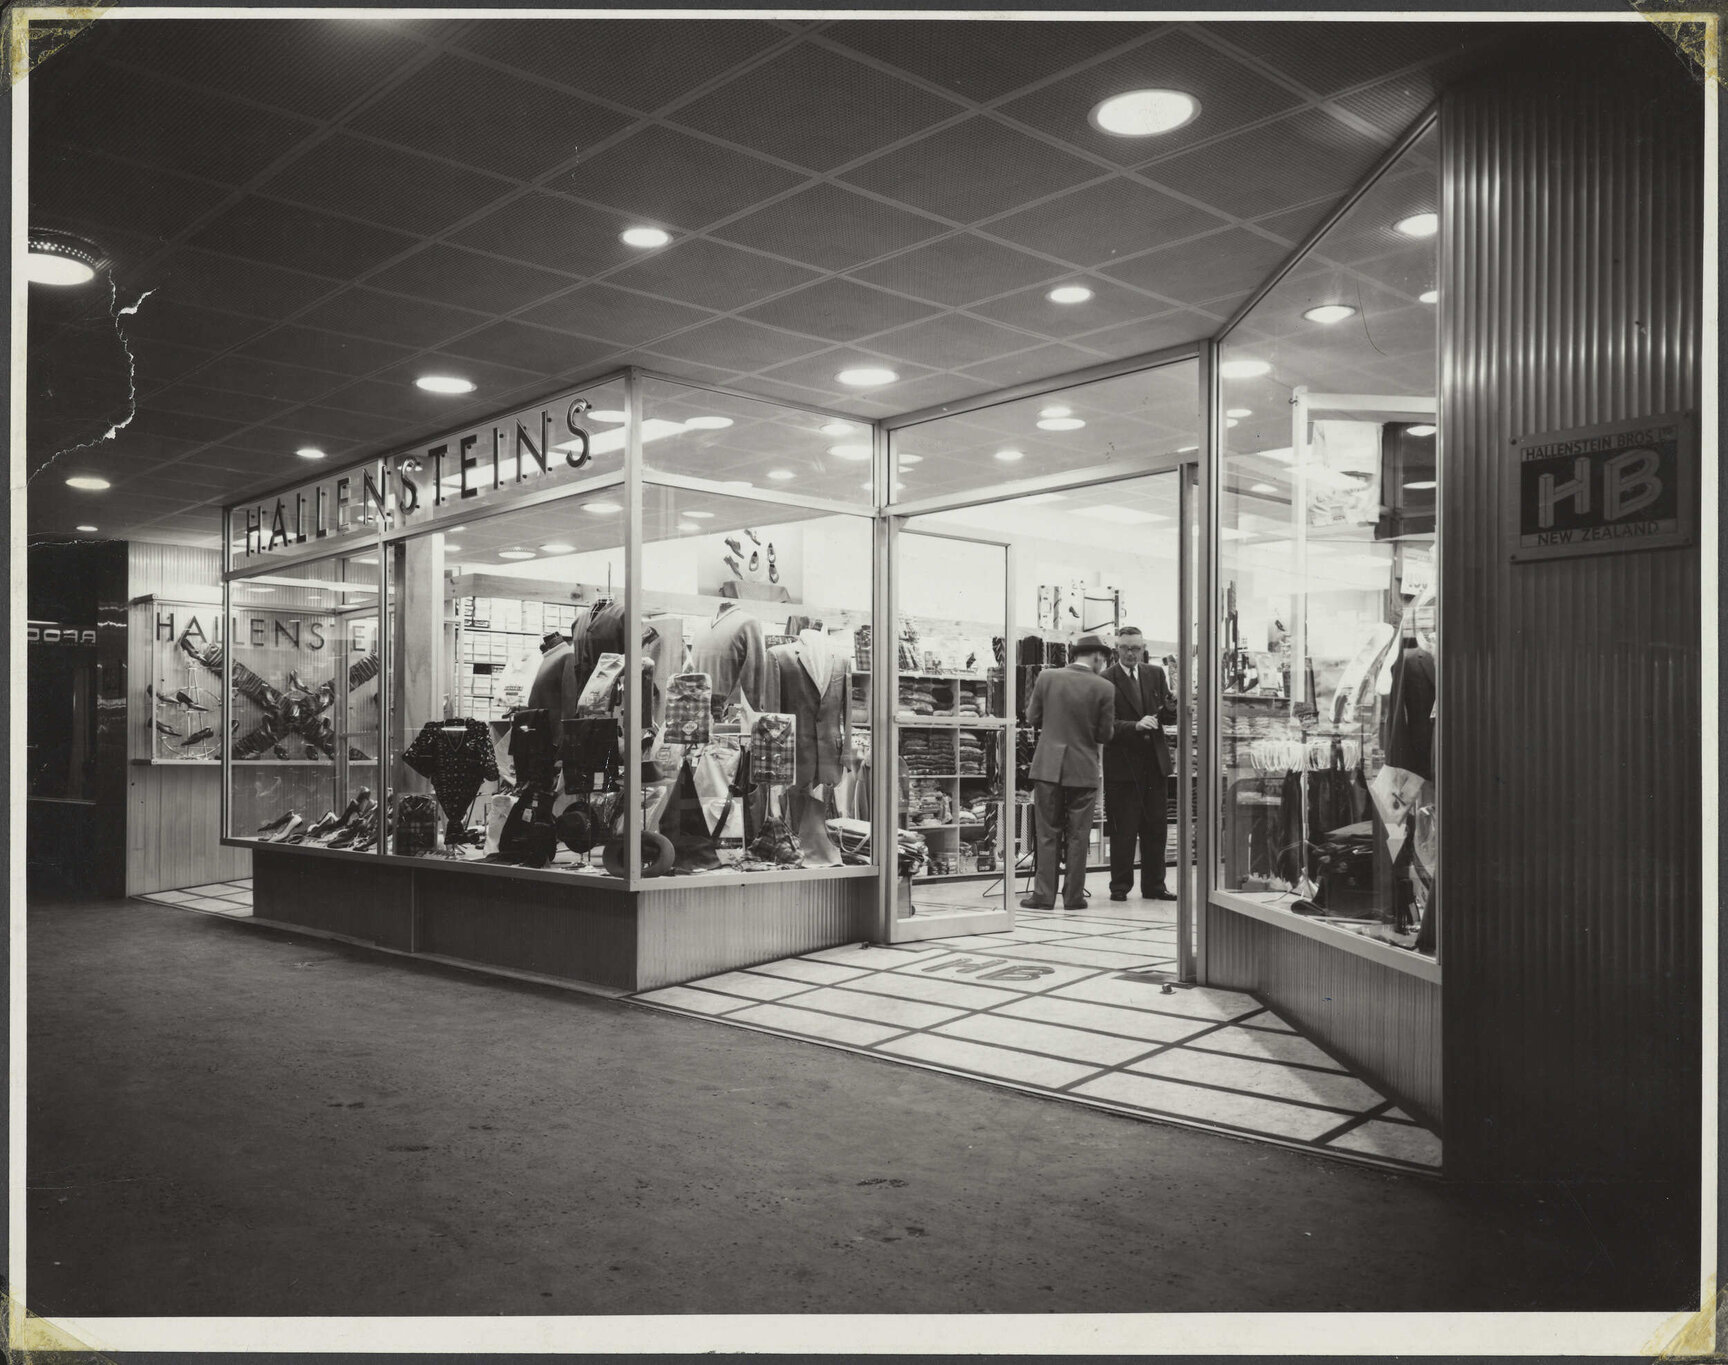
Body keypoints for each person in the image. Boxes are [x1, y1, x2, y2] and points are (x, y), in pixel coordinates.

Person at [1021, 634, 1115, 911]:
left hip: (1049, 765)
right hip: (1083, 769)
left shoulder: (1047, 678)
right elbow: (1105, 734)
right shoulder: (1105, 687)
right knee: (1078, 835)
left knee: (1047, 832)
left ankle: (1043, 895)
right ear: (1097, 657)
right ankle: (1073, 897)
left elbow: (1032, 717)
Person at [1102, 626, 1177, 901]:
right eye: (1126, 648)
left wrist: (1171, 707)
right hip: (1123, 765)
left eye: (1136, 648)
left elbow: (1168, 719)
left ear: (1143, 648)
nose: (1132, 654)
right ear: (1117, 649)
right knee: (1124, 829)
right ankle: (1120, 887)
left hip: (1153, 764)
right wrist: (1134, 725)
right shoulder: (1106, 679)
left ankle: (1155, 886)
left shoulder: (1155, 674)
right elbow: (1104, 725)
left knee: (1155, 828)